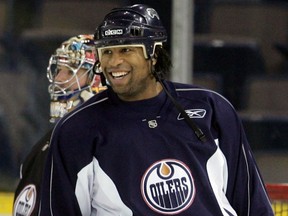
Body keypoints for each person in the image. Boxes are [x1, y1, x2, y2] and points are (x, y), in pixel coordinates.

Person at [39, 4, 274, 215]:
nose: (114, 62)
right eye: (107, 52)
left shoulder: (211, 108)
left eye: (126, 50)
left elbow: (251, 203)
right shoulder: (77, 129)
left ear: (154, 54)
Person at [13, 34, 106, 216]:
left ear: (98, 80)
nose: (58, 79)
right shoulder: (46, 145)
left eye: (71, 72)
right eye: (59, 70)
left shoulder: (114, 145)